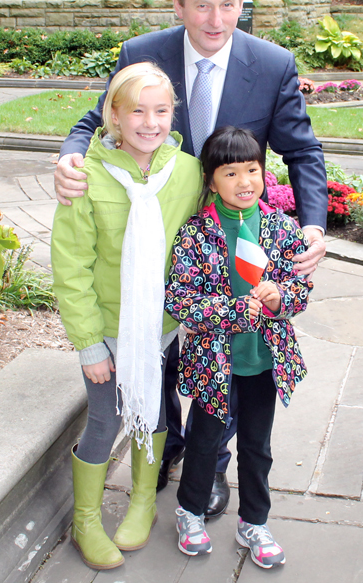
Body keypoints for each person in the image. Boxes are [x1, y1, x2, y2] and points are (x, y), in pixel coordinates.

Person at [53, 0, 327, 514]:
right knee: (166, 352)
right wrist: (71, 156)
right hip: (157, 234)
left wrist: (314, 225)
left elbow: (302, 150)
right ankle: (169, 450)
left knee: (223, 355)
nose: (216, 20)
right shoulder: (142, 54)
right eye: (202, 6)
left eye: (229, 5)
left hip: (229, 241)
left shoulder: (272, 63)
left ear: (240, 4)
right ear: (178, 3)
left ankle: (214, 463)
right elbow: (94, 118)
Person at [51, 62, 202, 570]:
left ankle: (141, 502)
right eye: (136, 110)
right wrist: (90, 343)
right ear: (113, 115)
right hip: (108, 330)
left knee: (156, 411)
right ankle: (87, 521)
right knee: (104, 419)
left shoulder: (185, 171)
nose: (150, 121)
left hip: (160, 330)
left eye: (161, 110)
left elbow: (202, 237)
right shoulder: (86, 177)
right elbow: (72, 265)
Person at [164, 125, 313, 569]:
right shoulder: (196, 233)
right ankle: (189, 513)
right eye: (230, 173)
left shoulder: (280, 228)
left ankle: (255, 521)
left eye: (253, 169)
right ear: (211, 180)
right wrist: (236, 310)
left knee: (256, 444)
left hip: (263, 360)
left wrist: (280, 298)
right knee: (205, 439)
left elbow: (300, 290)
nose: (245, 181)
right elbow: (181, 299)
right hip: (215, 362)